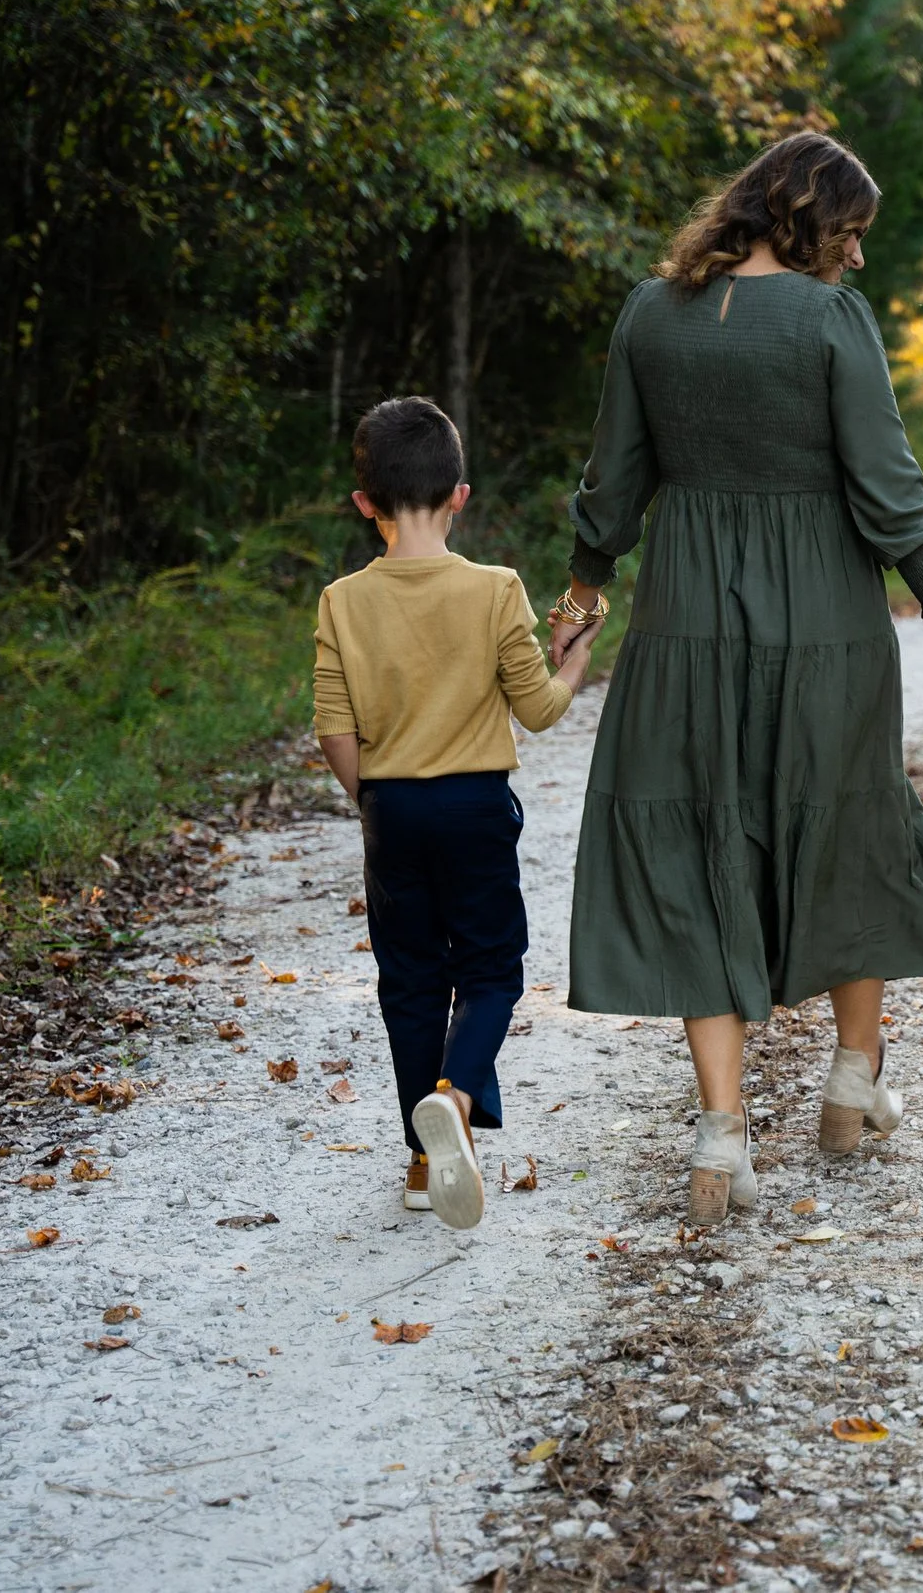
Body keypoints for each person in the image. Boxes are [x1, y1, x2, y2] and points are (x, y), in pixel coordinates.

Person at [548, 132, 923, 1228]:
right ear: (811, 225)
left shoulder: (646, 312)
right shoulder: (827, 322)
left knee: (696, 843)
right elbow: (888, 484)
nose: (856, 261)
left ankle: (721, 1133)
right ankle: (851, 1075)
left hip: (684, 621)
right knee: (848, 827)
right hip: (823, 619)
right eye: (849, 236)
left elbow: (609, 487)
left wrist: (578, 600)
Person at [312, 396, 600, 1229]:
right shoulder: (496, 589)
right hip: (474, 804)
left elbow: (335, 728)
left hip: (390, 807)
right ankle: (457, 1094)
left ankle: (421, 1155)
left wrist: (374, 799)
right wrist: (573, 659)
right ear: (459, 495)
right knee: (489, 969)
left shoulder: (342, 601)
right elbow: (540, 709)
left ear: (365, 504)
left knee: (409, 979)